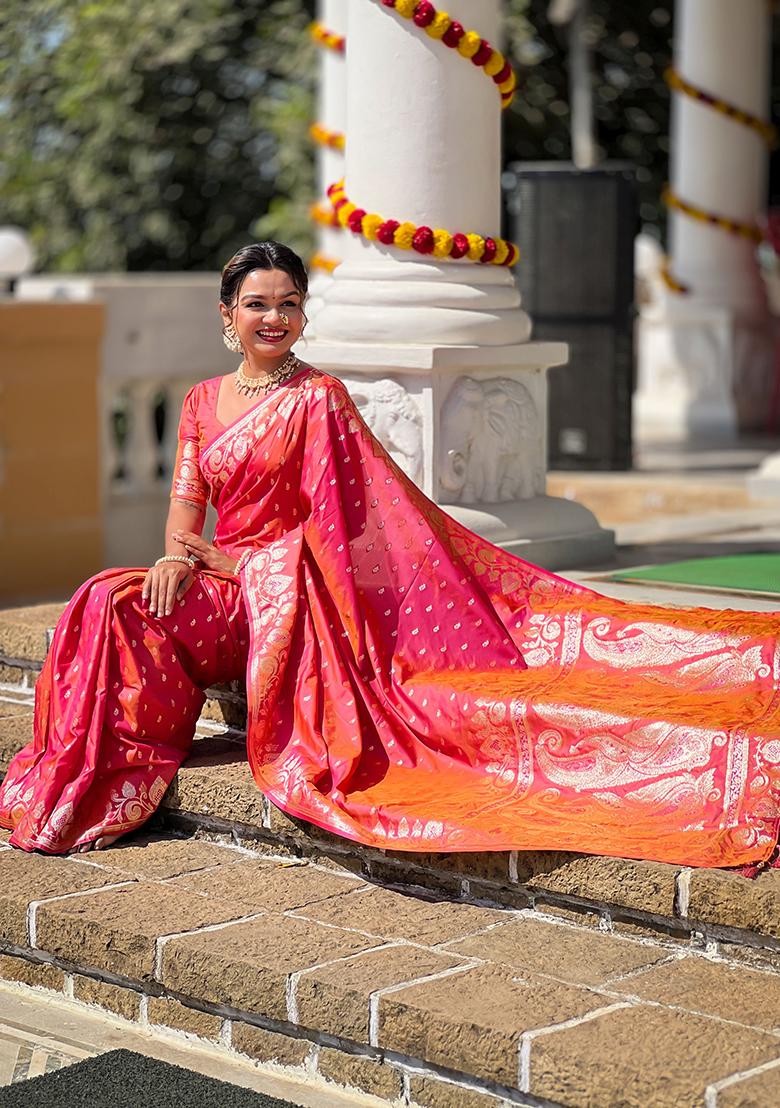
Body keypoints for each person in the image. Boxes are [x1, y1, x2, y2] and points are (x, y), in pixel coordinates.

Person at [2, 241, 779, 876]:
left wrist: (247, 567)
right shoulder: (205, 400)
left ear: (303, 313)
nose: (274, 318)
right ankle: (100, 775)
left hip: (282, 598)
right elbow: (187, 498)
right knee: (109, 596)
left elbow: (344, 532)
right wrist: (178, 557)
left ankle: (112, 780)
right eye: (257, 304)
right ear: (227, 316)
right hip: (218, 581)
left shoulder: (318, 399)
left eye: (289, 303)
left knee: (113, 599)